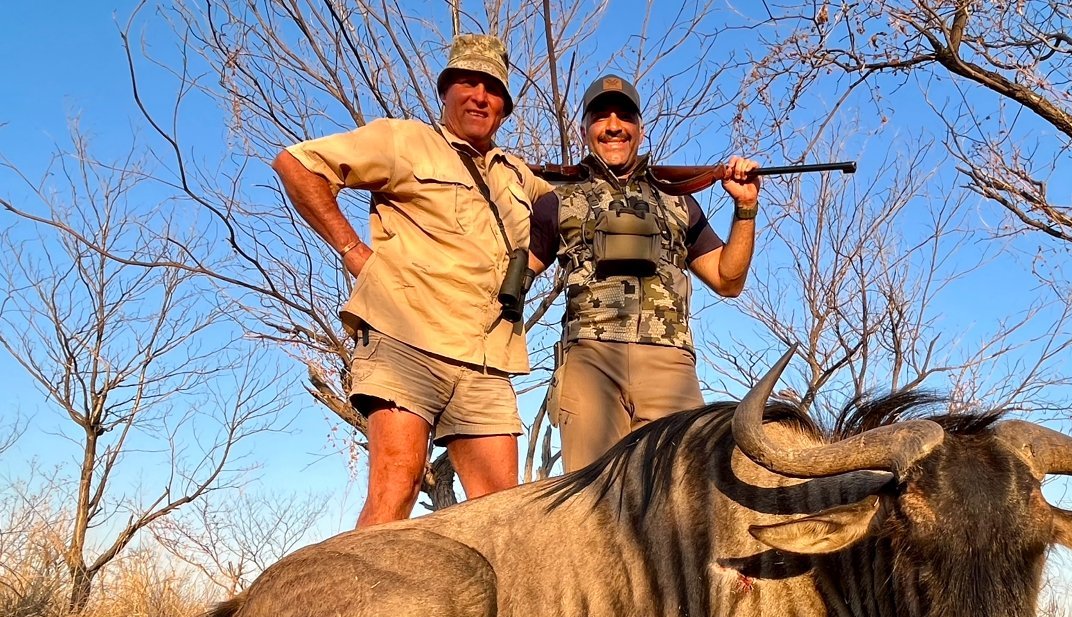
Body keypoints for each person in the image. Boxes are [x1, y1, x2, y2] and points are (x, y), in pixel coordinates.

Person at [272, 34, 551, 526]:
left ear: (504, 106)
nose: (479, 96)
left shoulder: (518, 176)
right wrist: (353, 250)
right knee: (395, 489)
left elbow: (565, 214)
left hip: (487, 357)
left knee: (505, 516)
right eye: (468, 82)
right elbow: (297, 164)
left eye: (492, 88)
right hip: (406, 340)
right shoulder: (404, 140)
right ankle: (358, 605)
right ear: (446, 92)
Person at [528, 74, 760, 471]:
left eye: (625, 117)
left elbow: (728, 280)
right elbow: (517, 273)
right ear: (584, 130)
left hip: (670, 363)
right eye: (601, 117)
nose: (614, 126)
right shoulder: (554, 197)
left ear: (640, 129)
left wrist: (746, 208)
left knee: (687, 494)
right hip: (590, 361)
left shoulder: (676, 196)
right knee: (593, 503)